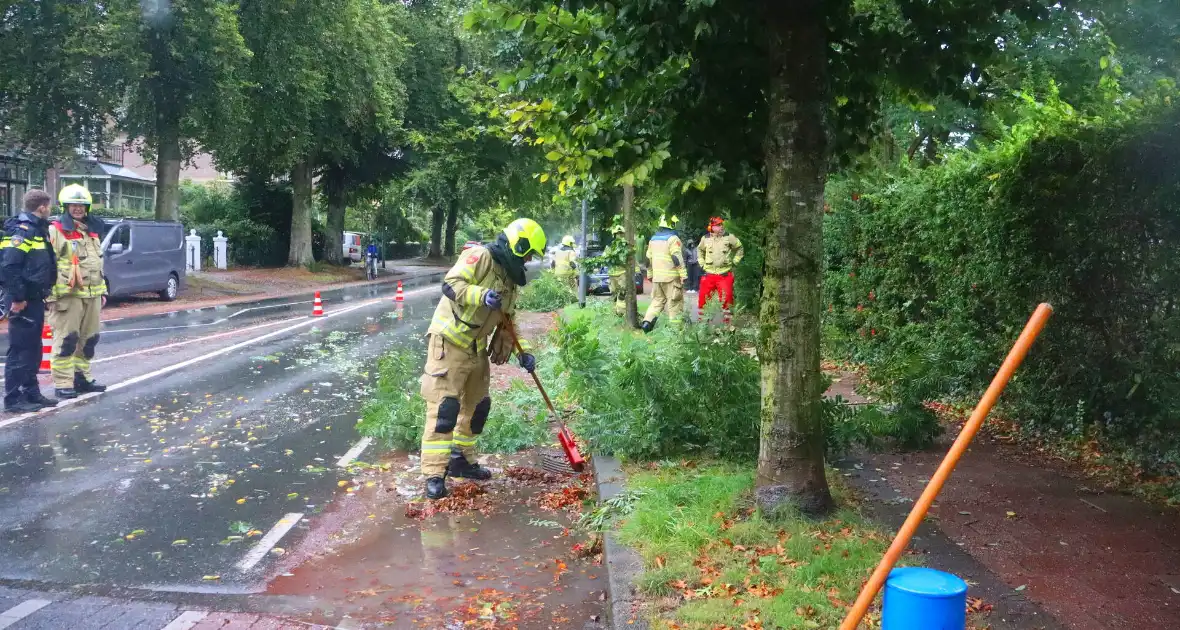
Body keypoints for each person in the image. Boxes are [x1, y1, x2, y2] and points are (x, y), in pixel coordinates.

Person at [419, 218, 545, 500]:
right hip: (449, 343)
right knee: (444, 410)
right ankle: (434, 474)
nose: (527, 260)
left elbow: (509, 322)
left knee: (477, 407)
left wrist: (524, 351)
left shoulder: (510, 280)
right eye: (527, 254)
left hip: (476, 348)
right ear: (518, 244)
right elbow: (452, 283)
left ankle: (461, 460)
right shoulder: (481, 257)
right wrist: (480, 295)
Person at [0, 190, 59, 412]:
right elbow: (9, 266)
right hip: (22, 299)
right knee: (20, 349)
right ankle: (14, 399)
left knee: (33, 349)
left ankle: (31, 393)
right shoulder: (23, 231)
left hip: (33, 297)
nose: (50, 210)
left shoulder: (37, 229)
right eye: (49, 206)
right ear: (42, 207)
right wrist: (18, 298)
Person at [47, 184, 107, 399]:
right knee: (67, 340)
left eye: (81, 205)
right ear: (65, 206)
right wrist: (50, 296)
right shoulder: (56, 231)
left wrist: (103, 292)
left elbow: (96, 263)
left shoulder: (91, 231)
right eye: (73, 205)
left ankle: (82, 378)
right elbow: (48, 265)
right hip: (68, 297)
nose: (78, 208)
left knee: (89, 339)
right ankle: (63, 382)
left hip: (92, 295)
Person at [641, 214, 687, 332]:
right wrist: (683, 275)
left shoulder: (653, 240)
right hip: (671, 279)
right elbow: (676, 258)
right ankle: (676, 331)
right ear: (671, 224)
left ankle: (647, 323)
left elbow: (648, 260)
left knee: (657, 301)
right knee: (674, 303)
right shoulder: (673, 239)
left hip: (657, 278)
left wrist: (650, 275)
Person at [697, 216, 744, 325]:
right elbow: (699, 250)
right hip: (709, 275)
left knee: (727, 301)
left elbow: (740, 248)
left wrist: (735, 262)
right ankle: (702, 326)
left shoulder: (729, 237)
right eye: (718, 225)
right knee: (703, 301)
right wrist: (701, 263)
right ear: (712, 227)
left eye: (721, 224)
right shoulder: (705, 238)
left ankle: (728, 326)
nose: (721, 227)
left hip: (724, 275)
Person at [602, 222, 628, 317]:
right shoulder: (610, 246)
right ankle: (616, 313)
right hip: (613, 274)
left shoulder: (626, 245)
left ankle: (620, 313)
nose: (620, 235)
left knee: (622, 293)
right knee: (614, 294)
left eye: (621, 233)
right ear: (614, 234)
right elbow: (604, 258)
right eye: (618, 233)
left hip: (623, 273)